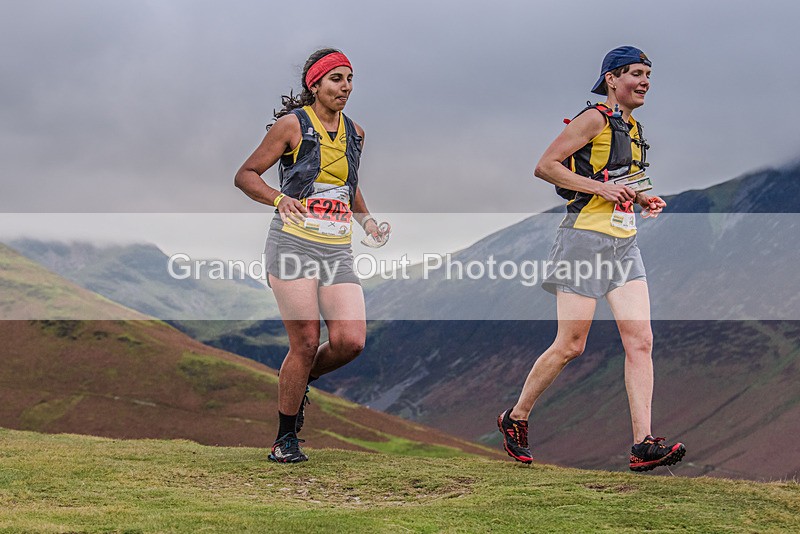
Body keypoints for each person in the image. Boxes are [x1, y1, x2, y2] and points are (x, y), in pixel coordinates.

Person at [497, 46, 686, 472]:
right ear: (611, 79)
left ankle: (642, 444)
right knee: (571, 345)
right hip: (583, 241)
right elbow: (545, 166)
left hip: (624, 245)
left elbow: (618, 179)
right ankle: (516, 417)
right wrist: (600, 190)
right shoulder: (593, 119)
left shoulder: (633, 128)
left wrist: (643, 198)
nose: (644, 82)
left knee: (640, 341)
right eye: (635, 73)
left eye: (648, 74)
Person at [235, 48, 388, 463]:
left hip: (337, 248)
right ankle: (284, 440)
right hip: (293, 244)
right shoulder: (292, 125)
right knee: (305, 342)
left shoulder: (356, 132)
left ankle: (300, 380)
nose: (346, 87)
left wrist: (369, 223)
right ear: (315, 84)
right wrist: (278, 198)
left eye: (350, 79)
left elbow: (348, 184)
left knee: (350, 341)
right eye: (336, 79)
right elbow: (245, 175)